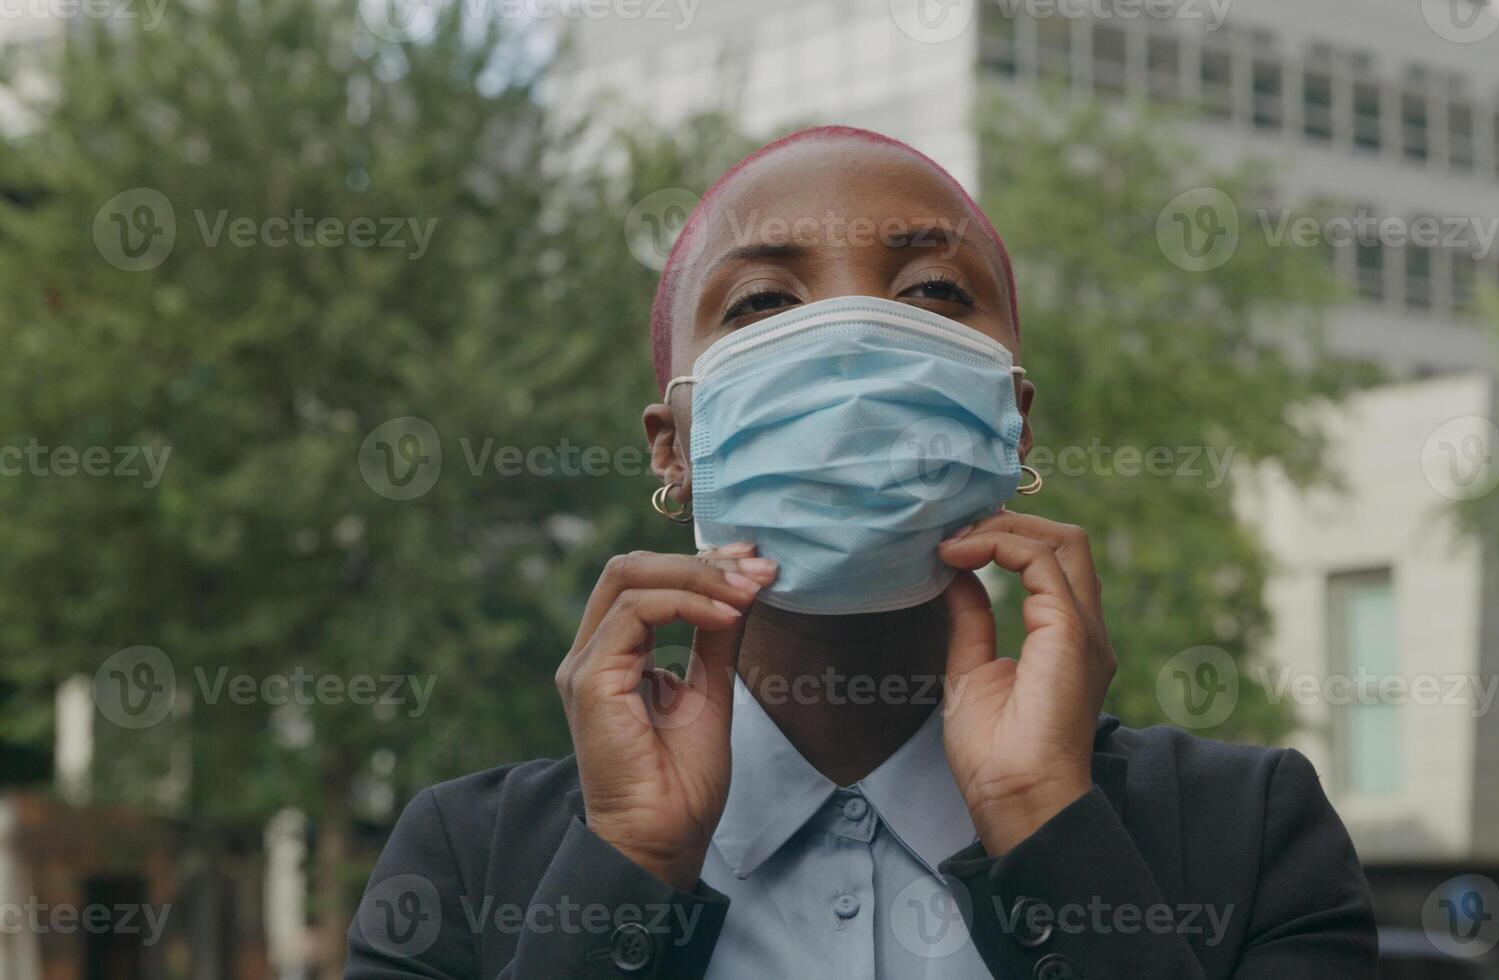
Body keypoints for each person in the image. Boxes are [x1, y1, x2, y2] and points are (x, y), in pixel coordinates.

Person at [345, 125, 1378, 979]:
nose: (849, 339)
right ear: (675, 447)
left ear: (1010, 423)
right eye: (760, 303)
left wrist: (1049, 829)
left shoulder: (1248, 832)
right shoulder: (462, 862)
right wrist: (626, 864)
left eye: (930, 291)